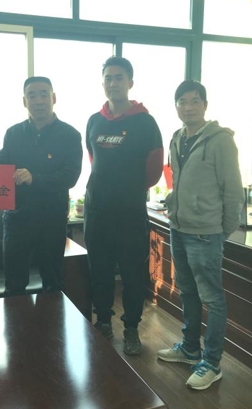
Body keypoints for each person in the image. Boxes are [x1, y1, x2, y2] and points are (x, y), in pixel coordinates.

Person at [157, 80, 244, 390]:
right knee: (187, 291)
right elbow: (178, 181)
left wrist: (222, 229)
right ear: (176, 106)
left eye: (194, 101)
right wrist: (174, 204)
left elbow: (232, 190)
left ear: (205, 105)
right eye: (182, 102)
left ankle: (212, 362)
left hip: (206, 233)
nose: (188, 107)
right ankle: (190, 348)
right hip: (179, 228)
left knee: (213, 298)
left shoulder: (221, 141)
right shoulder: (177, 138)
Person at [0, 76, 82, 295]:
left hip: (51, 220)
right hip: (17, 219)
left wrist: (35, 178)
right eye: (32, 96)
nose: (38, 101)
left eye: (43, 95)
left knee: (52, 284)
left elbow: (70, 176)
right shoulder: (13, 133)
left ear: (54, 98)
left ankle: (51, 319)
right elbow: (1, 165)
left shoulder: (70, 135)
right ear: (24, 101)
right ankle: (17, 320)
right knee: (13, 285)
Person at [84, 56, 163, 355]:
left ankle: (131, 328)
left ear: (130, 82)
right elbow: (94, 160)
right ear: (102, 82)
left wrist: (127, 189)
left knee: (132, 274)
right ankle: (103, 321)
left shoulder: (145, 122)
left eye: (119, 77)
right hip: (97, 211)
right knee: (100, 271)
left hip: (130, 212)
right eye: (108, 78)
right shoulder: (94, 120)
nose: (113, 83)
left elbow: (153, 172)